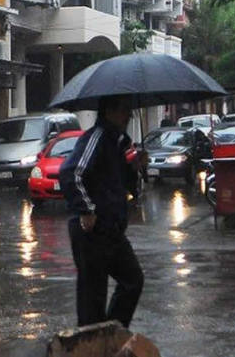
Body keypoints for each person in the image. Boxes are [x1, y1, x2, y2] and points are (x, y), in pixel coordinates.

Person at [59, 96, 145, 328]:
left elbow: (126, 186)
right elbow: (70, 174)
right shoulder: (96, 138)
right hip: (91, 230)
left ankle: (110, 334)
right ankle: (91, 343)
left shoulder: (120, 143)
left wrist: (135, 168)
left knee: (133, 280)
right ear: (110, 111)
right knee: (92, 298)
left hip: (113, 230)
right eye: (125, 110)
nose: (129, 116)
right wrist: (86, 210)